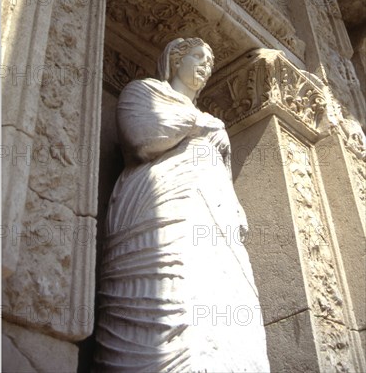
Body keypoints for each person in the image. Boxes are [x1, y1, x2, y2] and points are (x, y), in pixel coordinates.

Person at [94, 37, 270, 372]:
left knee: (217, 303)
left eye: (210, 61)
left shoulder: (213, 122)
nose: (205, 64)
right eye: (198, 56)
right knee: (162, 299)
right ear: (176, 60)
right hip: (158, 205)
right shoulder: (144, 91)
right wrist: (196, 123)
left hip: (212, 218)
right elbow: (141, 138)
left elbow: (221, 174)